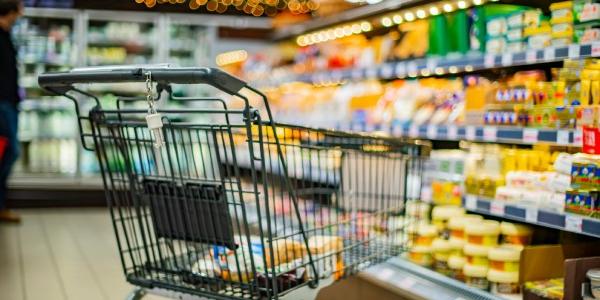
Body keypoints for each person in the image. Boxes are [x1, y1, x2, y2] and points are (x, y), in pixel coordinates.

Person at [0, 0, 22, 223]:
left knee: (8, 152)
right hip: (2, 104)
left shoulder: (6, 35)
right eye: (19, 8)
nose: (21, 13)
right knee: (11, 151)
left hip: (9, 103)